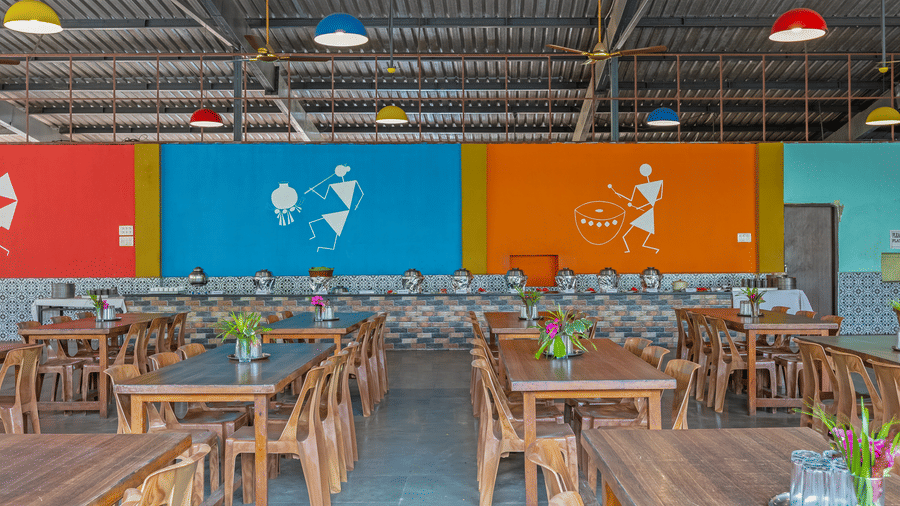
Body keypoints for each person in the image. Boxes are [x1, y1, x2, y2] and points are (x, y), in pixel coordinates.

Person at [305, 164, 364, 252]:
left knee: (316, 225)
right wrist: (315, 192)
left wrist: (356, 205)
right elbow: (324, 197)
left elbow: (361, 194)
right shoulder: (336, 186)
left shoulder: (351, 184)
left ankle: (319, 245)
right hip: (335, 214)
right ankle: (318, 244)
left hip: (338, 216)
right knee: (314, 224)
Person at [608, 163, 663, 253]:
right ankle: (650, 249)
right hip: (647, 215)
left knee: (626, 237)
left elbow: (635, 203)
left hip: (646, 216)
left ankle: (652, 250)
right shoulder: (655, 185)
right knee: (629, 238)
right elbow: (656, 198)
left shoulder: (644, 187)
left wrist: (622, 197)